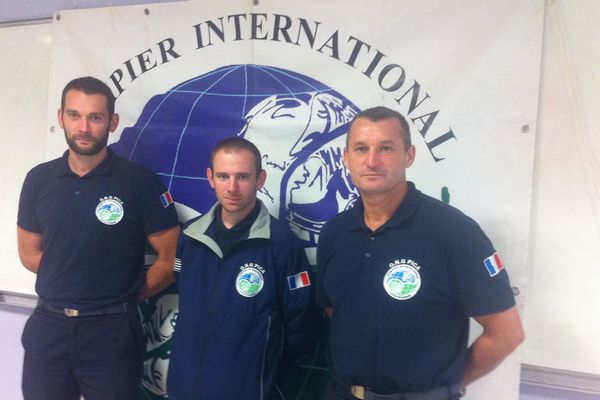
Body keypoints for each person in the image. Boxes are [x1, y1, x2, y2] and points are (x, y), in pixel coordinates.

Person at [316, 106, 524, 400]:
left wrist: (447, 385)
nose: (372, 161)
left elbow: (506, 334)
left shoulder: (453, 232)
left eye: (385, 148)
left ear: (409, 156)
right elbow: (336, 312)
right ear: (346, 158)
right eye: (361, 149)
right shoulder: (334, 233)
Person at [17, 76, 180, 400]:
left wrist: (123, 294)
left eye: (95, 117)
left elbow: (169, 259)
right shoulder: (38, 179)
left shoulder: (141, 183)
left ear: (113, 121)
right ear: (60, 117)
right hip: (49, 327)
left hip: (112, 332)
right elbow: (28, 252)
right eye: (75, 115)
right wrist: (75, 274)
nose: (84, 127)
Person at [167, 137, 321, 399]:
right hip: (185, 388)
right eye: (223, 176)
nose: (232, 187)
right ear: (210, 177)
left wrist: (264, 378)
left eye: (243, 177)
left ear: (260, 179)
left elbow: (301, 325)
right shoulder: (191, 237)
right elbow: (185, 296)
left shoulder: (282, 244)